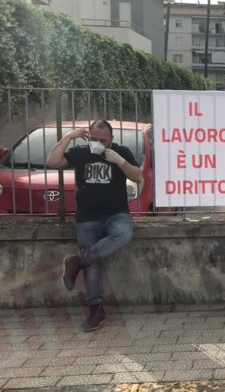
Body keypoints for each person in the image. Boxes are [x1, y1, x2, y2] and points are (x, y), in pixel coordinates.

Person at [46, 119, 143, 332]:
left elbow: (138, 176)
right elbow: (53, 162)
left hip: (116, 214)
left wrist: (119, 161)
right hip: (87, 217)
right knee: (94, 261)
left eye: (104, 140)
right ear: (89, 138)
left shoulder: (120, 151)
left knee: (123, 234)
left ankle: (76, 261)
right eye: (95, 139)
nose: (100, 143)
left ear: (112, 139)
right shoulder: (81, 152)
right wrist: (70, 136)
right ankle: (95, 309)